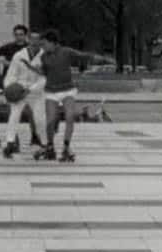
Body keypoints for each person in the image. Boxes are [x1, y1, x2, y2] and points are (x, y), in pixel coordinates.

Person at [37, 28, 109, 162]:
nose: (43, 46)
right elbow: (45, 73)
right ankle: (50, 147)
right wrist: (39, 71)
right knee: (50, 120)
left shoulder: (66, 52)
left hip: (67, 90)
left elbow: (83, 56)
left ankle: (66, 146)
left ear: (53, 43)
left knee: (70, 116)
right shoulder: (43, 56)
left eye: (44, 44)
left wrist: (101, 58)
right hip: (51, 92)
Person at [0, 24, 42, 150]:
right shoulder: (8, 48)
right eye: (16, 34)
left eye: (21, 34)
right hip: (12, 84)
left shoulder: (32, 49)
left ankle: (35, 136)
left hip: (29, 83)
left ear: (26, 36)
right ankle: (14, 141)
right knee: (13, 112)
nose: (19, 37)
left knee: (32, 112)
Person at [2, 32, 47, 158]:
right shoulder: (18, 55)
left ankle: (45, 144)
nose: (34, 42)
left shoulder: (45, 56)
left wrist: (31, 90)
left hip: (36, 91)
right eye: (32, 39)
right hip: (19, 89)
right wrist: (9, 89)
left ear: (41, 41)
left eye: (37, 39)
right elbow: (11, 74)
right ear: (28, 40)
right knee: (14, 115)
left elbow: (45, 77)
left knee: (39, 118)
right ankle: (10, 142)